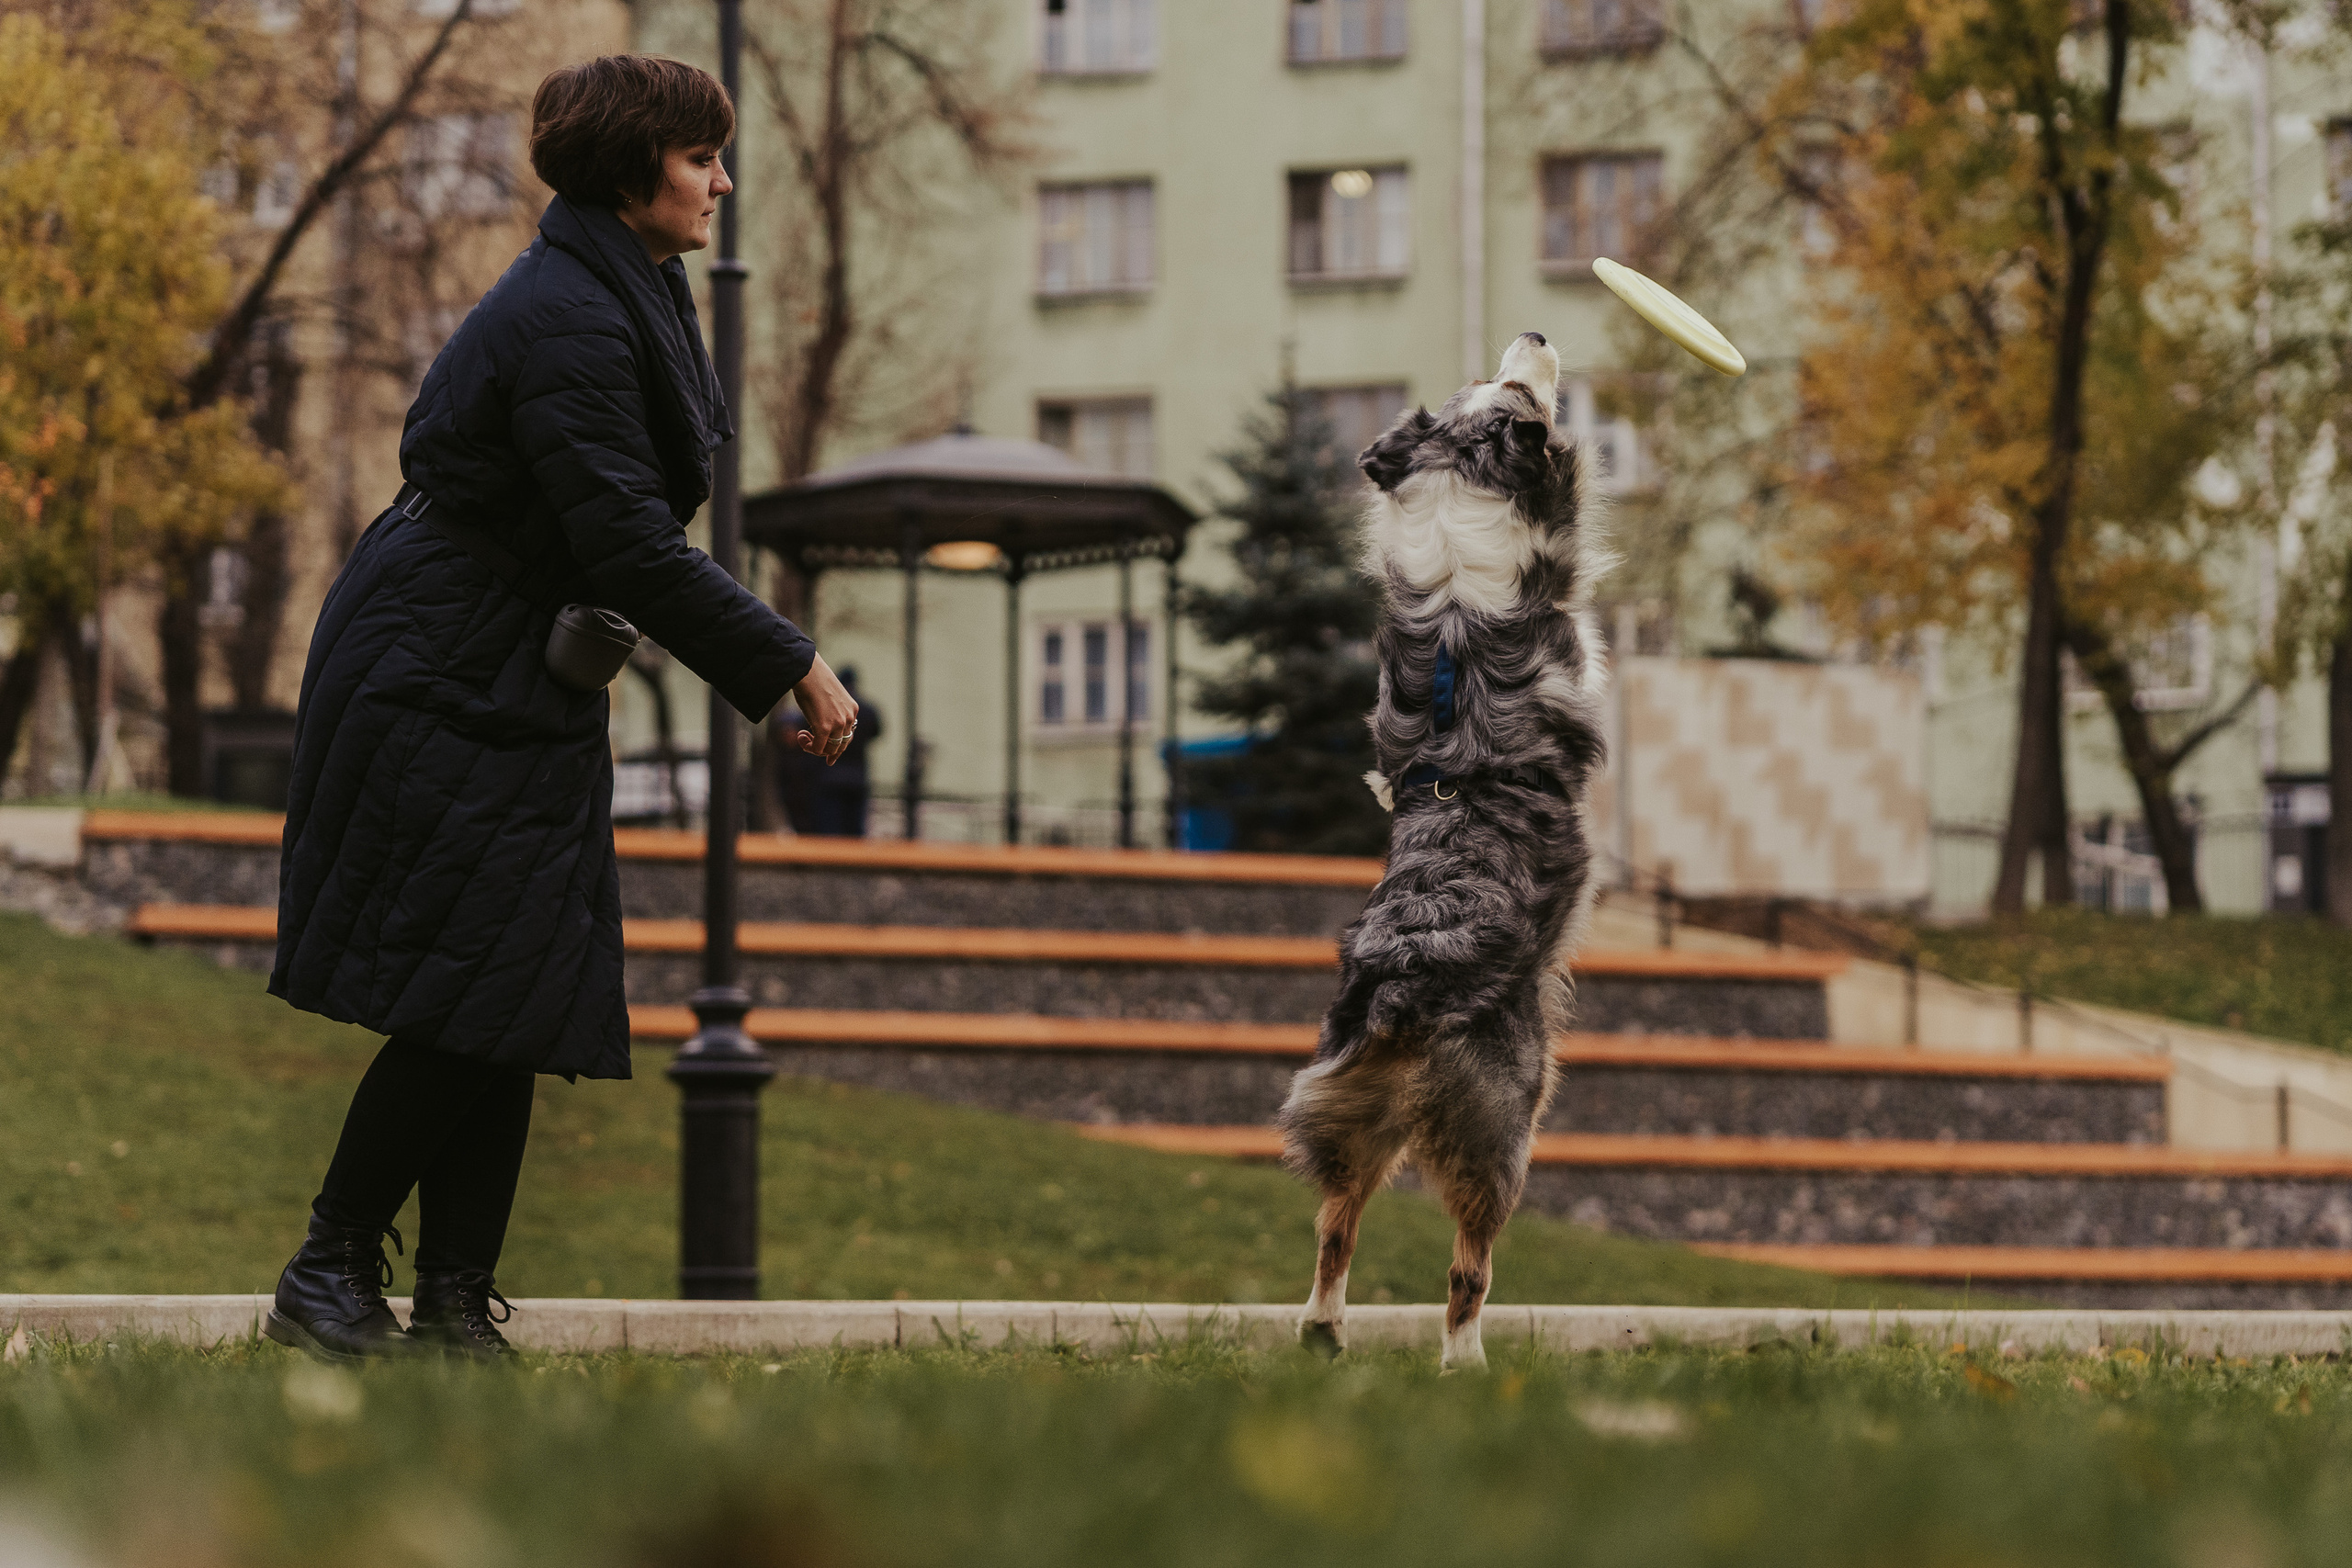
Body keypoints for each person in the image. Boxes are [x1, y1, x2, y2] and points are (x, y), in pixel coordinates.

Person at [262, 55, 858, 1363]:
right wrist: (788, 663)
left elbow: (621, 534)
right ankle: (328, 1263)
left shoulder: (628, 287)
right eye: (702, 156)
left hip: (505, 668)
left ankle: (458, 1301)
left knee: (514, 987)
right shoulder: (570, 318)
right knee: (468, 982)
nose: (721, 180)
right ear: (635, 163)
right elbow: (631, 547)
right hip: (438, 665)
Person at [775, 667, 881, 836]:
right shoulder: (866, 710)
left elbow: (807, 730)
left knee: (829, 832)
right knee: (855, 833)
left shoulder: (826, 705)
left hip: (827, 777)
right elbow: (877, 732)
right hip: (856, 779)